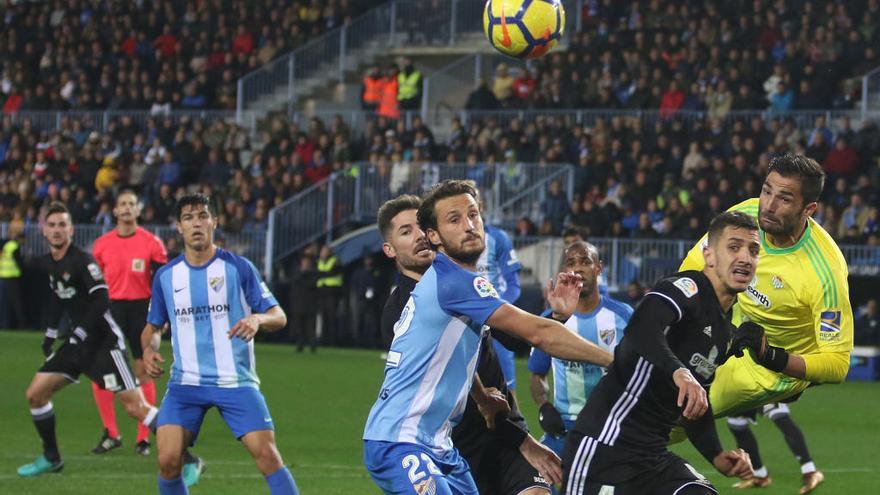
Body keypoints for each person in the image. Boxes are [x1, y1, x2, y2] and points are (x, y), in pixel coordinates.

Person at [363, 180, 613, 494]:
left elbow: (451, 353)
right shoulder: (455, 282)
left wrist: (481, 397)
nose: (469, 226)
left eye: (473, 215)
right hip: (400, 440)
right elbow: (539, 334)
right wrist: (615, 361)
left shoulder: (454, 281)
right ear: (434, 236)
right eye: (454, 220)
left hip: (439, 444)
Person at [679, 153, 852, 493]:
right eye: (766, 191)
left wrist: (770, 355)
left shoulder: (825, 273)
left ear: (809, 209)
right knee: (641, 385)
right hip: (731, 326)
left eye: (784, 198)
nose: (768, 205)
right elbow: (694, 264)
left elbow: (837, 363)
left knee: (672, 412)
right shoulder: (745, 215)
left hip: (768, 369)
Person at [562, 211, 760, 494]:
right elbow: (642, 328)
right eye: (734, 247)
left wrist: (717, 455)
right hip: (605, 447)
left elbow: (694, 407)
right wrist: (679, 371)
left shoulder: (724, 330)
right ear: (709, 256)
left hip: (653, 458)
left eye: (753, 250)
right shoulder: (685, 289)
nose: (745, 257)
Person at [376, 194, 558, 494]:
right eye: (406, 232)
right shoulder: (400, 311)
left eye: (421, 227)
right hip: (452, 447)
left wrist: (556, 314)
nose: (420, 237)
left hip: (503, 436)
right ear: (389, 249)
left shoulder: (463, 284)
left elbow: (514, 339)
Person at [141, 194, 299, 495]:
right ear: (178, 227)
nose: (196, 223)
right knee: (168, 460)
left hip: (235, 380)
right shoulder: (166, 276)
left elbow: (278, 315)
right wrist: (150, 349)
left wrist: (257, 320)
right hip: (186, 382)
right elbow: (152, 327)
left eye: (202, 216)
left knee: (267, 456)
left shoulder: (238, 268)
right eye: (188, 218)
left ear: (215, 222)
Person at [17, 202, 159, 478]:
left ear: (71, 230)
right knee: (36, 394)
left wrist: (79, 332)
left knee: (135, 407)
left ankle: (187, 458)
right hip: (76, 345)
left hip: (104, 343)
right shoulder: (52, 263)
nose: (57, 230)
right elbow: (60, 297)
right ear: (44, 230)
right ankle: (52, 457)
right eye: (52, 225)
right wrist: (49, 333)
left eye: (62, 225)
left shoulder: (83, 260)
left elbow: (101, 300)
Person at [528, 241, 632, 464]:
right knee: (534, 481)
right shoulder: (553, 319)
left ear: (599, 268)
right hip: (565, 429)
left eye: (586, 262)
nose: (578, 268)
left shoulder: (623, 316)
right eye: (571, 263)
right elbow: (537, 375)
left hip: (611, 425)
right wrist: (544, 406)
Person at [90, 190, 167, 456]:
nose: (126, 208)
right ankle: (111, 433)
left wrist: (162, 315)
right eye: (122, 204)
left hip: (140, 312)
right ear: (114, 210)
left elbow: (162, 283)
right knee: (102, 373)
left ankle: (143, 439)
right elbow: (93, 285)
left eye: (131, 204)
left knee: (141, 371)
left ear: (138, 210)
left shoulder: (152, 243)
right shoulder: (101, 245)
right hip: (111, 311)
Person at [477, 211, 524, 402]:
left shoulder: (498, 238)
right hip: (464, 321)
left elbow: (514, 286)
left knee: (507, 388)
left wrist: (497, 311)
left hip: (495, 321)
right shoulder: (450, 239)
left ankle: (516, 428)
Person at [288, 255, 319, 352]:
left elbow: (312, 285)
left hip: (310, 303)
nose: (305, 264)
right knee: (299, 326)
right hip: (298, 303)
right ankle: (299, 345)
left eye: (307, 262)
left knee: (310, 326)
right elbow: (294, 283)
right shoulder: (297, 273)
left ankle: (312, 345)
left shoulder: (313, 273)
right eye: (304, 262)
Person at [316, 244, 343, 345]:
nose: (323, 253)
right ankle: (323, 339)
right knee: (323, 317)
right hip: (322, 292)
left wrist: (321, 274)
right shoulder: (319, 262)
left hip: (332, 292)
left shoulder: (335, 261)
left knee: (331, 317)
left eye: (325, 251)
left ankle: (332, 340)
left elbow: (333, 272)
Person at [0, 223, 26, 329]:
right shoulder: (15, 246)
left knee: (4, 304)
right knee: (17, 304)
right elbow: (19, 263)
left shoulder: (6, 246)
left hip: (2, 277)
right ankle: (22, 325)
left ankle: (5, 325)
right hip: (12, 278)